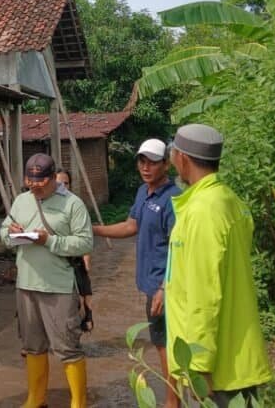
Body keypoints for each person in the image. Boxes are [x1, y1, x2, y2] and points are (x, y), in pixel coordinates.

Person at [166, 124, 271, 407]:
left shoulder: (203, 211)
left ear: (182, 158)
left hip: (219, 368)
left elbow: (205, 294)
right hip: (235, 355)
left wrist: (199, 364)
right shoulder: (228, 200)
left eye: (173, 153)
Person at [92, 138, 179, 408]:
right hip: (150, 284)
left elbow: (179, 247)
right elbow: (132, 225)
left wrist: (166, 287)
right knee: (160, 343)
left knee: (166, 345)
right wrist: (95, 230)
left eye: (153, 162)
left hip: (164, 287)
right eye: (142, 161)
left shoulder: (172, 198)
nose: (146, 167)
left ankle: (172, 402)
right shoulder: (144, 192)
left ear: (166, 164)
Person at [0, 153, 93, 408]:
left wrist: (49, 241)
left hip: (59, 288)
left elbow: (85, 242)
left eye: (40, 182)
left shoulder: (73, 204)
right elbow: (3, 231)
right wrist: (11, 233)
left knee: (67, 346)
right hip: (26, 286)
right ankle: (36, 399)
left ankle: (78, 402)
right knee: (32, 345)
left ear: (53, 179)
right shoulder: (21, 201)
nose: (34, 187)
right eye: (30, 181)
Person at [55, 168, 94, 332]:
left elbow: (84, 236)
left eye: (66, 183)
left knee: (84, 292)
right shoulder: (48, 206)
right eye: (59, 183)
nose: (63, 186)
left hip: (75, 258)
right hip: (56, 262)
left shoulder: (75, 204)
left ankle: (87, 319)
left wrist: (86, 257)